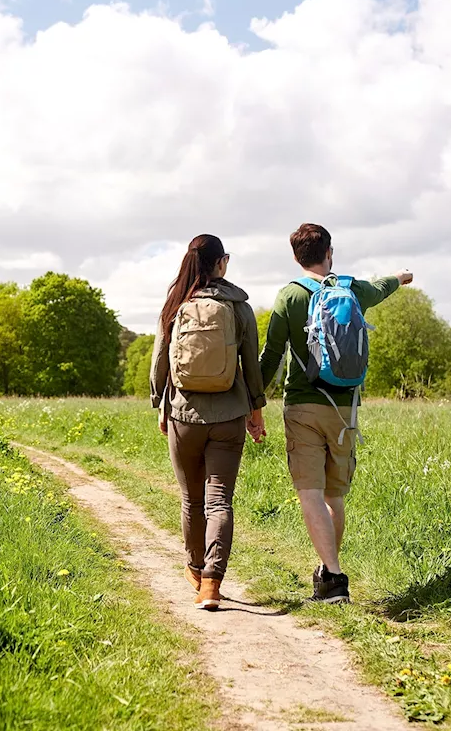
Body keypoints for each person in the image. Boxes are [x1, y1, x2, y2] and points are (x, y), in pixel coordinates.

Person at [257, 223, 412, 604]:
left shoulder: (290, 296)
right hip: (345, 409)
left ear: (296, 257)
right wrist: (401, 277)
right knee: (333, 496)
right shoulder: (352, 289)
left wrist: (252, 401)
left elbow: (271, 355)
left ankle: (335, 579)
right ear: (330, 252)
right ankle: (329, 571)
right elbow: (381, 286)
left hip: (303, 405)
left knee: (309, 492)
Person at [151, 234, 267, 611]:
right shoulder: (238, 307)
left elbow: (159, 363)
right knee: (220, 501)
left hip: (183, 412)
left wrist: (160, 405)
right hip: (229, 414)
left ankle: (196, 569)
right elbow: (251, 363)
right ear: (222, 262)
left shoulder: (174, 305)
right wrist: (256, 411)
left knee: (192, 500)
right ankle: (212, 585)